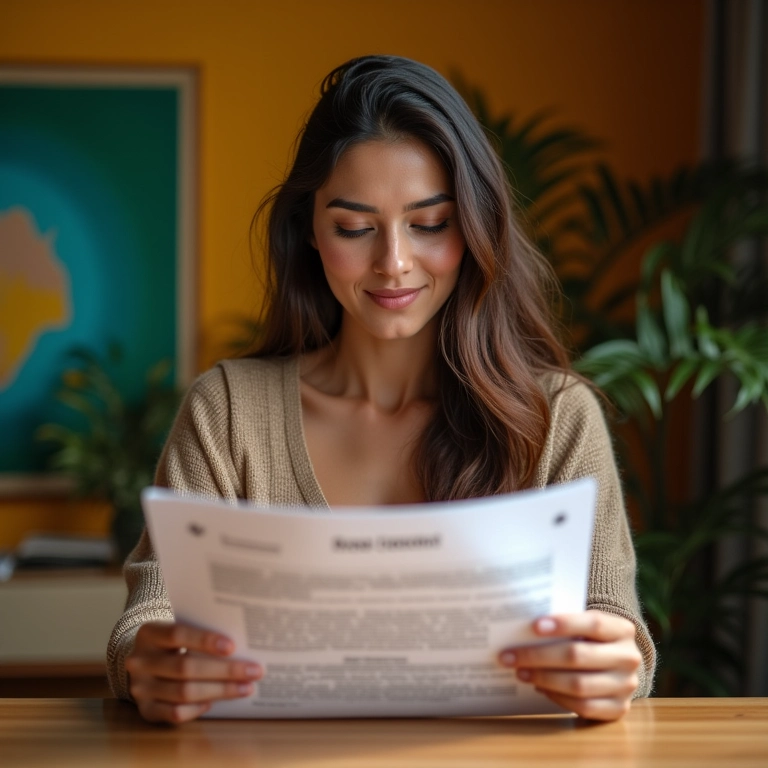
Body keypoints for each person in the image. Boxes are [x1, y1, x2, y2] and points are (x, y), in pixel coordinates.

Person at [107, 55, 655, 724]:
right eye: (355, 227)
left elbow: (612, 625)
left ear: (476, 227)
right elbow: (151, 615)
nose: (393, 261)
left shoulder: (557, 418)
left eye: (430, 223)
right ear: (309, 231)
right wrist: (147, 665)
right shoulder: (228, 412)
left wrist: (614, 668)